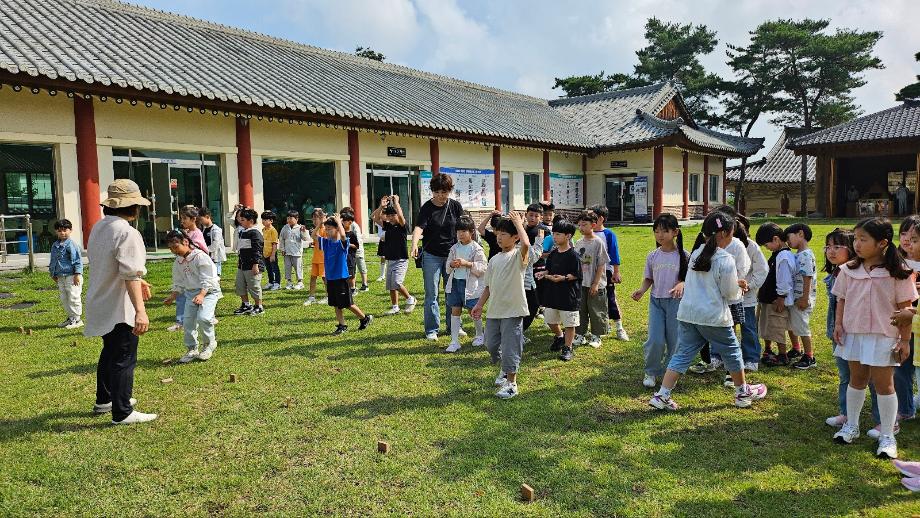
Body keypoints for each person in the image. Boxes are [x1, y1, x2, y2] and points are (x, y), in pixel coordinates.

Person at [649, 211, 768, 411]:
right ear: (725, 233)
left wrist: (733, 285)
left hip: (689, 314)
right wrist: (739, 286)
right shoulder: (725, 259)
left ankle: (662, 395)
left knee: (682, 354)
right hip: (713, 317)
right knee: (732, 352)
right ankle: (742, 393)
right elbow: (730, 294)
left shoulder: (696, 253)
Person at [832, 217, 917, 459]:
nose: (857, 244)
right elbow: (841, 300)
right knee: (856, 380)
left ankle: (887, 435)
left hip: (883, 337)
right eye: (855, 239)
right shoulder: (848, 270)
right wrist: (838, 325)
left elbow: (906, 309)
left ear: (882, 243)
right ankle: (852, 426)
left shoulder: (898, 273)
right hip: (854, 334)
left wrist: (904, 340)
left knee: (884, 385)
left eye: (863, 239)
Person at [84, 179, 157, 425]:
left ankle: (105, 399)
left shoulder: (100, 227)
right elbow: (130, 273)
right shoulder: (127, 232)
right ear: (134, 207)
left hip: (100, 299)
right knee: (124, 357)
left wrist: (138, 280)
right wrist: (140, 311)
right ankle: (122, 411)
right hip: (118, 305)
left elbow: (113, 264)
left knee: (110, 352)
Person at [471, 212, 530, 399]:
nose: (499, 237)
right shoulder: (494, 259)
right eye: (498, 233)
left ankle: (512, 384)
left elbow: (526, 244)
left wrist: (518, 223)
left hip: (513, 311)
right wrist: (479, 305)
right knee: (490, 343)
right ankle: (505, 368)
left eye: (504, 234)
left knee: (511, 346)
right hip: (494, 311)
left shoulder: (518, 256)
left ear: (515, 238)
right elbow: (488, 286)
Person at [631, 214, 687, 387]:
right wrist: (641, 290)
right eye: (656, 231)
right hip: (656, 302)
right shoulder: (652, 256)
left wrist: (682, 283)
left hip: (676, 303)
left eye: (664, 231)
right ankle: (651, 372)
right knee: (655, 340)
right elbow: (649, 278)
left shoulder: (685, 256)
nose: (660, 235)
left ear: (675, 232)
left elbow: (690, 280)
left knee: (674, 341)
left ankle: (670, 373)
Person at [411, 173, 464, 341]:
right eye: (437, 192)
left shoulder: (455, 206)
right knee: (431, 294)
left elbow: (464, 227)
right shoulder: (427, 207)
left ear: (450, 191)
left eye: (444, 192)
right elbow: (419, 227)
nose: (441, 196)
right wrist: (413, 244)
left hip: (452, 255)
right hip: (431, 256)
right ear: (432, 191)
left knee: (452, 293)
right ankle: (432, 329)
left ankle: (454, 326)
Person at [162, 229, 222, 363]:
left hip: (208, 292)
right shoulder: (178, 261)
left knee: (204, 318)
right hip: (191, 294)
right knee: (188, 322)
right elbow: (179, 282)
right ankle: (192, 349)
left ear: (185, 242)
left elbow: (209, 279)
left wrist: (202, 294)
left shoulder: (200, 257)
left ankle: (209, 345)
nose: (174, 251)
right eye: (170, 248)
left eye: (175, 247)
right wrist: (173, 296)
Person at [319, 213, 373, 335]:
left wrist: (339, 222)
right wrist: (321, 224)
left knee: (347, 304)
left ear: (337, 229)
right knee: (336, 304)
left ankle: (364, 318)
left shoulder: (342, 243)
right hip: (331, 278)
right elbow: (313, 236)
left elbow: (343, 235)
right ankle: (342, 325)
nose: (327, 231)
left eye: (329, 229)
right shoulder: (326, 243)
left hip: (341, 278)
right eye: (326, 229)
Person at [444, 215, 487, 352]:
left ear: (471, 232)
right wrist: (452, 264)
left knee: (473, 310)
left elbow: (482, 267)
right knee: (455, 310)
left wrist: (467, 264)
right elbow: (447, 267)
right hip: (455, 283)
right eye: (458, 231)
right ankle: (454, 341)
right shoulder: (454, 248)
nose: (460, 234)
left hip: (470, 285)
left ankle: (480, 335)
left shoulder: (476, 248)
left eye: (464, 231)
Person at [539, 219, 581, 361]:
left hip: (569, 295)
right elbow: (548, 269)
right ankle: (559, 336)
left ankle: (568, 347)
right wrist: (543, 273)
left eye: (558, 234)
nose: (554, 237)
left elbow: (576, 274)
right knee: (550, 320)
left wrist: (563, 278)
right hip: (552, 293)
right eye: (554, 234)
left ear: (568, 236)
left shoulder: (574, 255)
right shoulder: (553, 254)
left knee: (569, 323)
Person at [755, 223, 797, 367]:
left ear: (776, 239)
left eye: (767, 245)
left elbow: (784, 279)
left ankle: (782, 354)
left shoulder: (784, 256)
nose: (767, 248)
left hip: (776, 299)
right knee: (766, 325)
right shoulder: (777, 254)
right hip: (767, 298)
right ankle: (768, 349)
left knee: (777, 326)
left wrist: (781, 298)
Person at [588, 205, 628, 341]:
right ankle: (599, 327)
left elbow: (614, 254)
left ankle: (619, 328)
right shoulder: (587, 234)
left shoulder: (608, 234)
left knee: (610, 299)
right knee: (594, 301)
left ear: (600, 219)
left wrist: (616, 272)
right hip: (590, 273)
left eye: (591, 217)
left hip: (606, 272)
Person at [372, 195, 417, 315]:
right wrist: (381, 206)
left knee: (396, 283)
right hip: (390, 259)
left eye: (393, 215)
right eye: (389, 216)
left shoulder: (402, 226)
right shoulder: (388, 226)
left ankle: (410, 299)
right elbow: (375, 218)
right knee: (391, 286)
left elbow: (401, 217)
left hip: (401, 259)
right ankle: (395, 307)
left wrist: (396, 202)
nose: (391, 217)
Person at [168, 206, 209, 332]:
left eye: (185, 218)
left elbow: (200, 250)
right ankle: (180, 321)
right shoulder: (185, 233)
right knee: (181, 295)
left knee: (198, 298)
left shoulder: (197, 233)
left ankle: (206, 317)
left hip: (195, 272)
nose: (182, 221)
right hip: (186, 270)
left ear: (193, 219)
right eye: (181, 218)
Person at [574, 211, 610, 348]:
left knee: (596, 310)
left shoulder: (598, 242)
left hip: (596, 284)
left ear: (593, 225)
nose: (581, 227)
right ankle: (580, 334)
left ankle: (596, 336)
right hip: (581, 283)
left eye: (584, 225)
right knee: (580, 310)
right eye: (579, 225)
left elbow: (601, 264)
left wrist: (595, 283)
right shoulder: (578, 242)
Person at [784, 223, 818, 369]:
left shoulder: (805, 255)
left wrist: (804, 298)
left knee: (802, 326)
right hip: (795, 298)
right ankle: (796, 348)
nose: (787, 242)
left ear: (800, 234)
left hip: (801, 299)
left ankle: (809, 356)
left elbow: (807, 277)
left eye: (788, 237)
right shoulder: (798, 254)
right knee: (792, 324)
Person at [738, 215, 768, 372]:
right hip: (724, 296)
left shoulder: (751, 246)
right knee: (721, 328)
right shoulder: (719, 244)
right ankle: (718, 356)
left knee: (748, 327)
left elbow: (762, 270)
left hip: (746, 297)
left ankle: (751, 358)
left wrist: (750, 286)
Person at [49, 218, 84, 329]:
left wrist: (77, 274)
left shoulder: (71, 245)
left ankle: (77, 319)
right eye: (59, 231)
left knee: (74, 297)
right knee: (64, 298)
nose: (62, 233)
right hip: (60, 276)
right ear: (56, 231)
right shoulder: (55, 245)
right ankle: (70, 318)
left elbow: (77, 260)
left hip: (72, 276)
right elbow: (53, 260)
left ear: (70, 230)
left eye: (65, 230)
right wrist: (53, 274)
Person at [233, 208, 265, 316]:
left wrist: (256, 264)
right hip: (243, 265)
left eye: (243, 220)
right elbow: (241, 249)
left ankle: (259, 306)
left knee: (254, 286)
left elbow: (257, 250)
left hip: (252, 265)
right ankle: (246, 305)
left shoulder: (255, 233)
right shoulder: (243, 231)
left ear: (251, 221)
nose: (240, 222)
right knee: (240, 285)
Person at [521, 203, 546, 335]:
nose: (533, 218)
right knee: (528, 301)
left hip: (537, 266)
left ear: (541, 217)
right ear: (526, 215)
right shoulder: (522, 229)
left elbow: (543, 250)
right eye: (531, 215)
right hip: (524, 269)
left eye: (536, 216)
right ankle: (519, 331)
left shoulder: (541, 231)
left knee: (536, 298)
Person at [341, 207, 369, 292]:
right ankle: (353, 286)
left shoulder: (354, 225)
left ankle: (365, 284)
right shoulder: (344, 225)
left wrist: (354, 247)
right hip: (350, 252)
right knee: (352, 269)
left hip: (357, 250)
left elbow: (357, 239)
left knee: (361, 267)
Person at [279, 210, 309, 290]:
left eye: (291, 218)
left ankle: (300, 282)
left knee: (298, 267)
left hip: (297, 252)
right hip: (287, 252)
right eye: (288, 218)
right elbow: (281, 239)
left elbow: (306, 238)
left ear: (296, 219)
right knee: (287, 267)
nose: (289, 220)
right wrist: (282, 249)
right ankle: (289, 282)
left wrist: (304, 231)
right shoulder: (285, 228)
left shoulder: (300, 228)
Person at [305, 208, 327, 305]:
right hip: (316, 258)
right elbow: (315, 240)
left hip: (323, 259)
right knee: (313, 277)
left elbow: (324, 242)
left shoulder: (326, 229)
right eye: (313, 219)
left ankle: (328, 296)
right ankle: (311, 297)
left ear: (322, 218)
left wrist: (321, 224)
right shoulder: (316, 229)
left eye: (315, 218)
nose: (314, 221)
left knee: (325, 278)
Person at [198, 207, 226, 277]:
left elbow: (215, 244)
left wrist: (206, 250)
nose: (201, 222)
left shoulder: (216, 230)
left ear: (207, 217)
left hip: (215, 257)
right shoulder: (204, 230)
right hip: (207, 256)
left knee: (215, 276)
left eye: (201, 219)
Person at [339, 210, 362, 295]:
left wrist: (348, 244)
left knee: (351, 274)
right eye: (342, 221)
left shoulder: (352, 234)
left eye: (344, 221)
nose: (342, 223)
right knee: (343, 273)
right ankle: (345, 288)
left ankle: (353, 288)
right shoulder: (340, 233)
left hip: (350, 257)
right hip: (342, 257)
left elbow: (357, 246)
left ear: (350, 222)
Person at [261, 211, 281, 291]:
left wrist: (273, 255)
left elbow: (274, 243)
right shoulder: (263, 229)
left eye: (265, 220)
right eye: (263, 219)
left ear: (271, 221)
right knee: (268, 269)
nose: (263, 221)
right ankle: (271, 282)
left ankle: (277, 283)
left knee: (274, 268)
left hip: (271, 253)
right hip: (265, 253)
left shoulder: (273, 230)